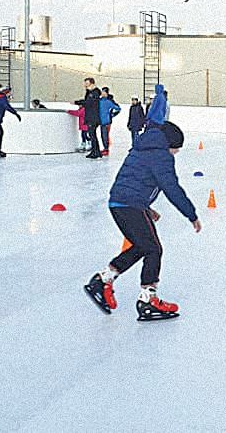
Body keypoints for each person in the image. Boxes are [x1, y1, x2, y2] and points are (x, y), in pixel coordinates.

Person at [84, 119, 201, 321]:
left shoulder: (142, 147)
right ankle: (148, 300)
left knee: (141, 247)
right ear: (170, 144)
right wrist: (191, 214)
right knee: (154, 249)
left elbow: (134, 180)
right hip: (131, 206)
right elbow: (171, 187)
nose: (175, 154)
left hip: (119, 203)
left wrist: (147, 208)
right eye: (176, 150)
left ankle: (103, 280)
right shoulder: (161, 155)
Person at [82, 77, 103, 159]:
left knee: (92, 135)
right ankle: (95, 151)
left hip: (93, 118)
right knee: (92, 135)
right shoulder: (89, 93)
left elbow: (88, 103)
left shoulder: (94, 93)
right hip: (90, 117)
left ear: (92, 84)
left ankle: (96, 151)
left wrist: (78, 102)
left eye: (87, 84)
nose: (85, 85)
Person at [99, 92, 121, 156]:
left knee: (105, 136)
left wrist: (112, 115)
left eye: (104, 93)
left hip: (106, 122)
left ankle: (106, 149)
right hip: (101, 121)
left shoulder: (108, 102)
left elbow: (117, 108)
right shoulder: (99, 101)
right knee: (103, 136)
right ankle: (105, 148)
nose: (103, 94)